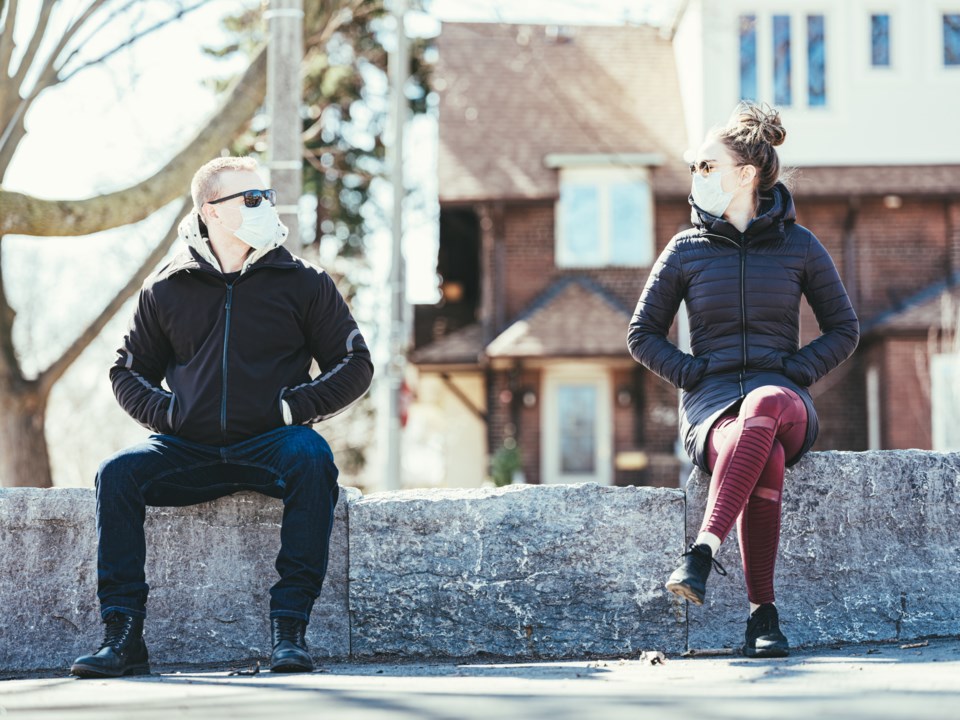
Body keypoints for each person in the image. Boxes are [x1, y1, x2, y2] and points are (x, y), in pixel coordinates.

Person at [70, 157, 373, 678]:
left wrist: (292, 408)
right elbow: (126, 370)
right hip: (188, 448)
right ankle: (122, 636)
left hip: (272, 443)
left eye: (266, 197)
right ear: (210, 211)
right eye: (250, 199)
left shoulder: (303, 282)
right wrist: (169, 414)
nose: (265, 207)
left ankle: (289, 630)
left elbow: (355, 363)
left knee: (312, 457)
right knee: (117, 473)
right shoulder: (166, 288)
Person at [627, 102, 859, 658]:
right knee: (764, 457)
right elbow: (642, 334)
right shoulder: (685, 250)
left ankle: (702, 552)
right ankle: (763, 616)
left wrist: (794, 372)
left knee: (767, 399)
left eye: (707, 166)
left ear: (746, 174)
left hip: (784, 398)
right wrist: (693, 373)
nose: (696, 178)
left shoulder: (800, 245)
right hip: (713, 408)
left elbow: (844, 329)